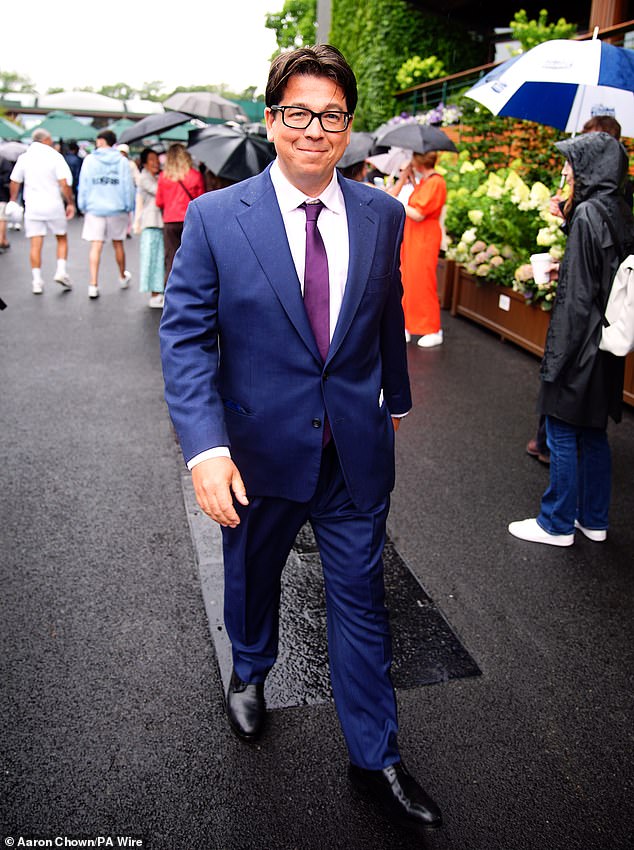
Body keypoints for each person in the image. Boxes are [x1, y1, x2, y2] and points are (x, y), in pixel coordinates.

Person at [159, 44, 442, 831]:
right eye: (298, 112)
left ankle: (375, 757)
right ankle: (249, 670)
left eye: (332, 115)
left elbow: (383, 316)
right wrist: (206, 449)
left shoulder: (383, 215)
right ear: (271, 118)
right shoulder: (218, 218)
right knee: (251, 577)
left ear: (349, 126)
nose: (315, 129)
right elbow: (185, 339)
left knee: (362, 604)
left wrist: (397, 400)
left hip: (353, 455)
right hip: (255, 456)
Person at [509, 132, 634, 547]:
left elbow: (578, 299)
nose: (565, 180)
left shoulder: (586, 217)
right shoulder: (617, 209)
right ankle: (592, 519)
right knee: (593, 433)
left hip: (580, 346)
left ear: (588, 171)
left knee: (561, 429)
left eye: (569, 173)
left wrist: (556, 360)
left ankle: (556, 522)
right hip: (607, 342)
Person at [387, 151, 447, 347]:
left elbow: (419, 213)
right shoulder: (426, 182)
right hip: (414, 236)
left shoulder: (436, 182)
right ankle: (410, 324)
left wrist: (399, 203)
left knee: (424, 281)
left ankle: (431, 327)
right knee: (409, 279)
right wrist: (409, 179)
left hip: (424, 237)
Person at [9, 128, 75, 293]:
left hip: (32, 205)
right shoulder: (55, 157)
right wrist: (70, 202)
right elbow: (64, 183)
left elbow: (15, 181)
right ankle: (61, 271)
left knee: (35, 243)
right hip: (53, 204)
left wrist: (12, 199)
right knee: (61, 237)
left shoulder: (24, 158)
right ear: (45, 140)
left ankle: (37, 280)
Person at [77, 130, 135, 299]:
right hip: (117, 208)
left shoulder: (89, 160)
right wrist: (128, 206)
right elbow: (127, 187)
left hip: (95, 208)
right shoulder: (122, 161)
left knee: (96, 245)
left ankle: (93, 284)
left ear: (101, 141)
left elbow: (84, 184)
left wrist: (83, 206)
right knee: (118, 244)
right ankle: (122, 276)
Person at [155, 144, 204, 286]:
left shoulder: (164, 177)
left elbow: (159, 202)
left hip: (170, 221)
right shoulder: (195, 176)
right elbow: (201, 200)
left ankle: (170, 291)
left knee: (171, 258)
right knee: (193, 257)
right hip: (190, 221)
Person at [135, 148, 165, 308]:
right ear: (145, 163)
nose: (155, 162)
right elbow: (160, 192)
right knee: (152, 258)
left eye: (156, 159)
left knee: (161, 258)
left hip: (160, 222)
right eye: (151, 159)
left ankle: (160, 292)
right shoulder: (144, 178)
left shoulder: (158, 176)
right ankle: (154, 294)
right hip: (151, 223)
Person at [63, 140, 83, 213]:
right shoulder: (78, 159)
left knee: (66, 195)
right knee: (77, 195)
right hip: (75, 180)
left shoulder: (64, 158)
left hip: (66, 180)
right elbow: (78, 172)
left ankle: (66, 208)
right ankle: (78, 210)